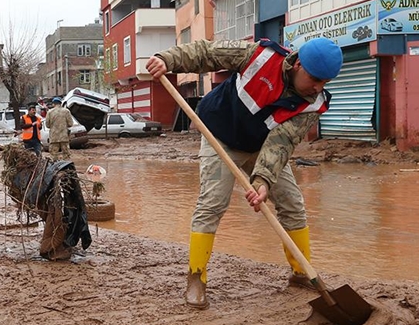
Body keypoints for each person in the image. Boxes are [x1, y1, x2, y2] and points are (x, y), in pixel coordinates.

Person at [145, 37, 343, 310]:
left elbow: (281, 143)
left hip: (262, 147)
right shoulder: (260, 55)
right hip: (220, 134)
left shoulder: (314, 103)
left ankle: (301, 273)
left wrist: (262, 180)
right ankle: (196, 277)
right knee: (212, 203)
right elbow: (208, 53)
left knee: (292, 204)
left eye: (325, 82)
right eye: (315, 78)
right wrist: (168, 59)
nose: (318, 87)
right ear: (298, 64)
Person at [45, 97, 74, 161]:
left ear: (53, 104)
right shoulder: (66, 111)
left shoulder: (50, 112)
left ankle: (55, 168)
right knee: (66, 154)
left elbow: (47, 125)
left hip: (54, 137)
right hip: (64, 137)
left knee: (53, 155)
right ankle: (66, 168)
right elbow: (70, 124)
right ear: (60, 103)